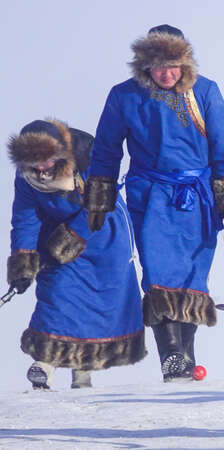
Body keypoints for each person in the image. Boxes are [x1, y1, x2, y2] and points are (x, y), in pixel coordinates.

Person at [83, 25, 224, 381]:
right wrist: (100, 198)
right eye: (159, 65)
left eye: (173, 65)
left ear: (185, 63)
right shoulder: (123, 96)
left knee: (192, 280)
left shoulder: (205, 91)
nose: (167, 73)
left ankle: (183, 359)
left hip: (199, 199)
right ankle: (171, 354)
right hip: (151, 196)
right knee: (159, 277)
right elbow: (106, 151)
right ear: (144, 65)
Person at [7, 119, 145, 389]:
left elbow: (100, 203)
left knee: (95, 305)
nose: (41, 167)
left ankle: (82, 372)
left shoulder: (89, 156)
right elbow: (25, 218)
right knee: (57, 294)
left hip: (103, 234)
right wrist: (23, 261)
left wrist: (72, 237)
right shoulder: (26, 178)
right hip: (57, 236)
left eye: (45, 159)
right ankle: (44, 364)